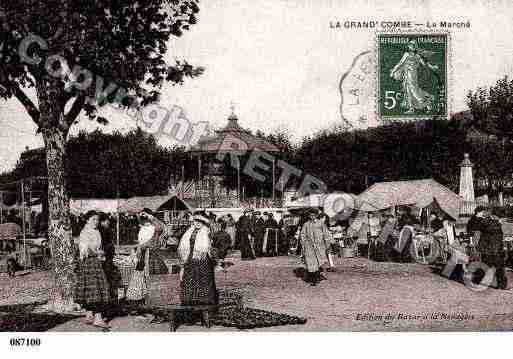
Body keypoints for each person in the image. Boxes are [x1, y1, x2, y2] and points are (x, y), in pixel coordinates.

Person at [73, 211, 111, 328]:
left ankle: (89, 314)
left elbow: (97, 247)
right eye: (93, 219)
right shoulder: (85, 232)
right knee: (97, 289)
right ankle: (98, 318)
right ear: (87, 220)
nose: (96, 222)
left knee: (92, 289)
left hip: (95, 262)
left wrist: (100, 253)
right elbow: (85, 250)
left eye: (97, 220)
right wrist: (98, 253)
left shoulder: (96, 231)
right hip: (90, 263)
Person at [178, 212, 218, 306]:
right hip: (190, 259)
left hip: (203, 260)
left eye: (201, 221)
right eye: (196, 220)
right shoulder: (189, 232)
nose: (198, 223)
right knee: (189, 280)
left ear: (204, 222)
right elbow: (183, 247)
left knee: (203, 281)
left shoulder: (207, 231)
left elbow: (211, 246)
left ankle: (204, 303)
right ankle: (190, 302)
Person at [390, 39, 438, 113]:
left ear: (415, 47)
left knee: (414, 90)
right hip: (407, 74)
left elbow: (424, 64)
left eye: (412, 46)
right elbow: (400, 63)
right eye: (409, 45)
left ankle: (427, 103)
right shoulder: (406, 54)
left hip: (412, 75)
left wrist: (432, 67)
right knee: (408, 90)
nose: (410, 47)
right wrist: (393, 71)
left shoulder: (417, 56)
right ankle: (411, 108)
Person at [475, 208, 508, 290]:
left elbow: (498, 236)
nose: (503, 220)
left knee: (498, 268)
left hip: (495, 249)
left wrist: (502, 245)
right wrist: (498, 223)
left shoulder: (494, 223)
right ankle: (477, 281)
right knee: (487, 267)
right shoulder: (486, 221)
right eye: (501, 218)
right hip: (489, 250)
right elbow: (487, 227)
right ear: (496, 216)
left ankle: (501, 286)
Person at [299, 208, 330, 286]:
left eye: (314, 215)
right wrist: (304, 243)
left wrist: (327, 244)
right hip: (309, 246)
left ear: (316, 215)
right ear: (309, 216)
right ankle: (313, 279)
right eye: (311, 215)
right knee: (311, 262)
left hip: (320, 246)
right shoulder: (306, 224)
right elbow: (302, 234)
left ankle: (317, 277)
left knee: (319, 261)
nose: (312, 217)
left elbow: (326, 234)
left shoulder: (321, 223)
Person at [98, 213, 121, 302]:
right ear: (102, 222)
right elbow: (103, 246)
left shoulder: (105, 230)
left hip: (108, 258)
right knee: (108, 280)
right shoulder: (102, 232)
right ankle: (110, 299)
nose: (108, 222)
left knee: (110, 280)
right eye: (106, 221)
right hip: (105, 259)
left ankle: (111, 298)